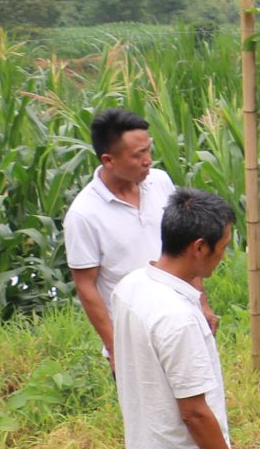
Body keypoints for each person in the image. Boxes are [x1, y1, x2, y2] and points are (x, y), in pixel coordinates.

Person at [112, 189, 260, 449]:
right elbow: (194, 413)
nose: (224, 256)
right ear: (199, 247)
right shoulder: (177, 318)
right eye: (223, 247)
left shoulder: (131, 286)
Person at [64, 107, 181, 366]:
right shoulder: (84, 214)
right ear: (108, 160)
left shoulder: (161, 182)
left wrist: (201, 302)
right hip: (134, 340)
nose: (148, 160)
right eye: (138, 155)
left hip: (180, 324)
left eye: (148, 150)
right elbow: (86, 286)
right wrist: (115, 348)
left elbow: (182, 245)